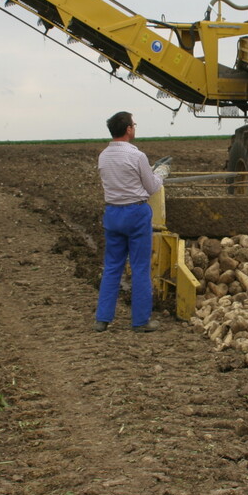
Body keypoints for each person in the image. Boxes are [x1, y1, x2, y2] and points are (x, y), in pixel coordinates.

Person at [94, 111, 168, 333]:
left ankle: (102, 319)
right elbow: (152, 187)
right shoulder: (137, 156)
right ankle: (140, 321)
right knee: (140, 267)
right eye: (133, 124)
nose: (134, 127)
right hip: (136, 214)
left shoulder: (103, 156)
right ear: (128, 129)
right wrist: (162, 173)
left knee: (112, 266)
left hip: (113, 214)